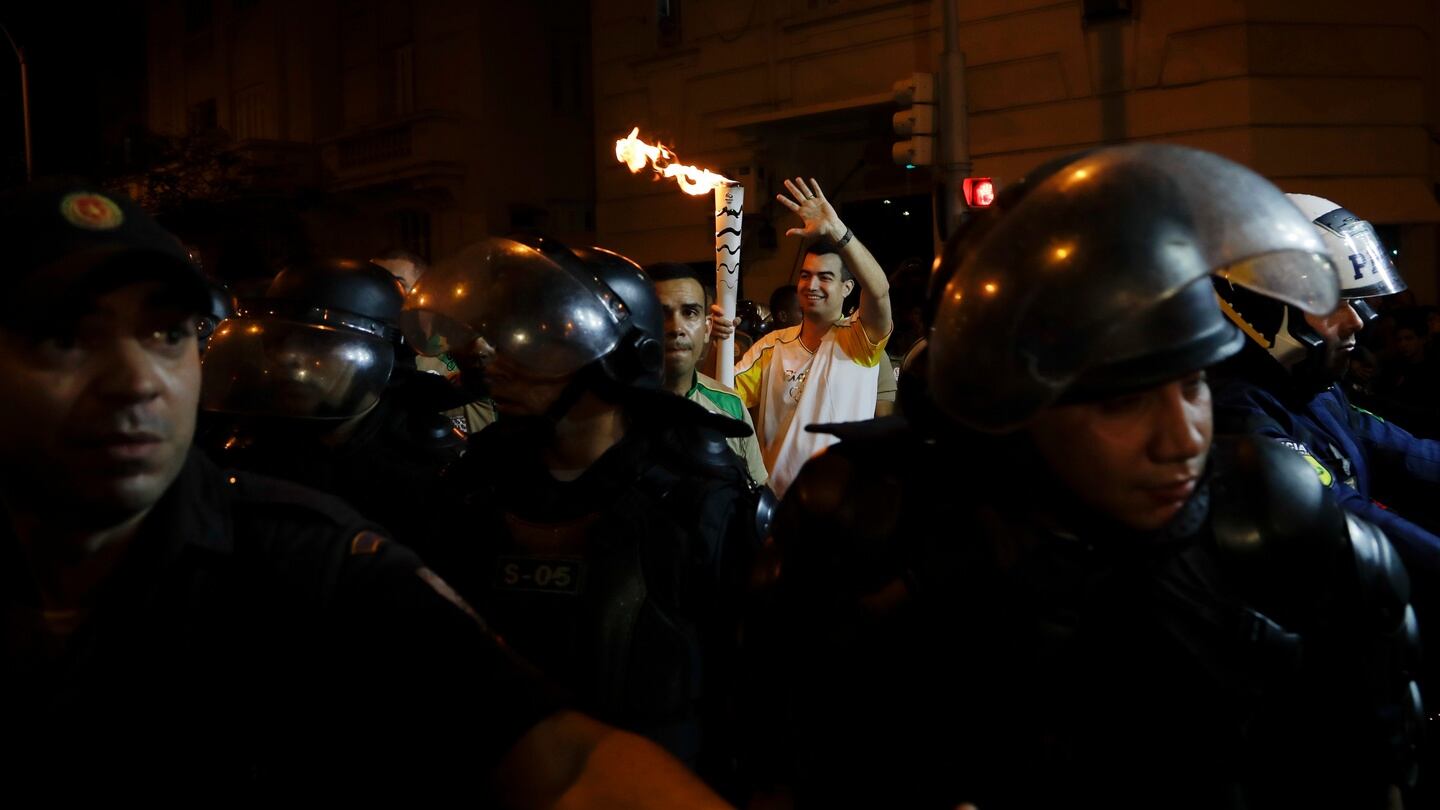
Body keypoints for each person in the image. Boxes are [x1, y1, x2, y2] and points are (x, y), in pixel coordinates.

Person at [0, 179, 730, 805]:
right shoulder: (469, 489)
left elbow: (565, 763)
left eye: (165, 334)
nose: (136, 382)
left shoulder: (311, 560)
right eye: (65, 340)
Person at [757, 147, 1421, 809]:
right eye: (1122, 402)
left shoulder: (1277, 524)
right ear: (1017, 412)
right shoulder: (876, 538)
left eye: (1192, 384)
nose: (1185, 438)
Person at [402, 236, 769, 797]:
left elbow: (755, 701)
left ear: (616, 360)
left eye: (537, 343)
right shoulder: (471, 489)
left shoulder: (699, 506)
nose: (495, 361)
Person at [197, 257, 465, 544]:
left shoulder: (429, 467)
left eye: (317, 344)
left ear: (383, 358)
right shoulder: (240, 446)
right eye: (279, 340)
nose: (288, 357)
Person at [729, 177, 893, 496]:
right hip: (778, 504)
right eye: (805, 275)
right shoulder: (771, 347)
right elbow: (722, 397)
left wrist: (838, 232)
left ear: (847, 288)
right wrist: (718, 343)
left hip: (843, 503)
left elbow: (880, 290)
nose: (811, 285)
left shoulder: (861, 341)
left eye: (825, 277)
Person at [645, 261, 768, 485]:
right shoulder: (611, 411)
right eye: (660, 313)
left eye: (690, 312)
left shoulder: (730, 405)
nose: (676, 328)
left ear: (707, 328)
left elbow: (757, 493)